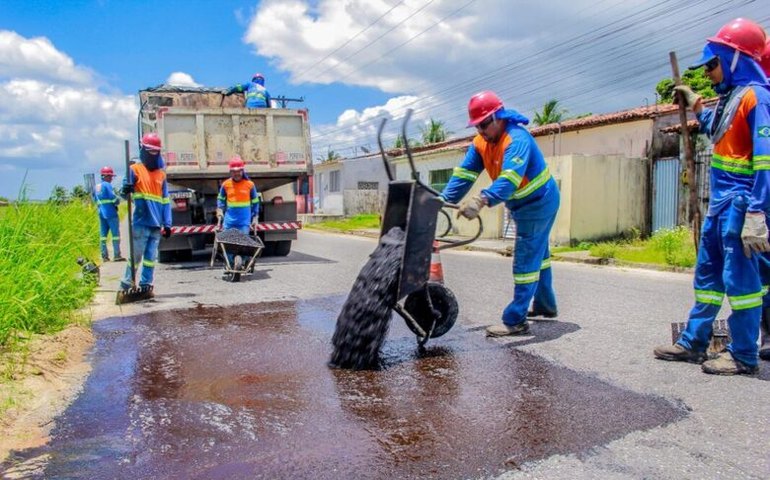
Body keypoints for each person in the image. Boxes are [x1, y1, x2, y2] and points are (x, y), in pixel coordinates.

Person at [654, 18, 770, 375]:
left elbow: (766, 160)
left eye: (712, 63)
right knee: (707, 278)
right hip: (720, 203)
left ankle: (744, 354)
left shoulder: (757, 97)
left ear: (736, 57)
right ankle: (694, 342)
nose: (708, 71)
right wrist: (696, 104)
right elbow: (717, 130)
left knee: (742, 284)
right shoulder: (730, 99)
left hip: (741, 202)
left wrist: (758, 211)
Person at [440, 91, 560, 337]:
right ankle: (546, 307)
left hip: (538, 203)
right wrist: (442, 201)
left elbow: (509, 181)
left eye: (484, 124)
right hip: (521, 204)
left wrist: (481, 200)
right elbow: (464, 175)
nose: (481, 131)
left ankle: (516, 320)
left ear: (497, 117)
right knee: (540, 254)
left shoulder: (517, 139)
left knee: (526, 260)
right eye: (477, 126)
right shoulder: (480, 143)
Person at [119, 133, 172, 294]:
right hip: (141, 222)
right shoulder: (134, 170)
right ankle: (127, 284)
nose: (153, 155)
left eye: (156, 152)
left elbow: (165, 201)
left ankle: (146, 284)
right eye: (150, 151)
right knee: (136, 256)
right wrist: (126, 189)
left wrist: (167, 224)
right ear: (143, 150)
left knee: (150, 258)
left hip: (156, 224)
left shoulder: (161, 175)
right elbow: (123, 195)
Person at [216, 156, 261, 266]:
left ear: (242, 171)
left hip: (244, 222)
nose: (237, 174)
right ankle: (230, 264)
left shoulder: (249, 185)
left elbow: (255, 202)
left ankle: (244, 261)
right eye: (234, 171)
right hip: (229, 221)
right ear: (230, 172)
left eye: (239, 171)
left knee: (243, 245)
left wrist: (255, 217)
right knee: (228, 244)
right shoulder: (226, 185)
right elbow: (221, 199)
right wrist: (220, 210)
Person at [94, 166, 125, 262]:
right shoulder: (107, 185)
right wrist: (118, 201)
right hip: (111, 213)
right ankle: (117, 255)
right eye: (110, 176)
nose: (111, 178)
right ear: (105, 176)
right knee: (115, 234)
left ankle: (104, 256)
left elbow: (95, 200)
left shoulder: (96, 187)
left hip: (101, 213)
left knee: (103, 236)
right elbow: (113, 198)